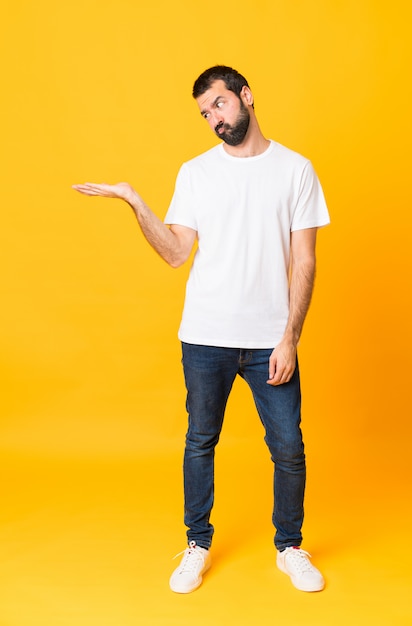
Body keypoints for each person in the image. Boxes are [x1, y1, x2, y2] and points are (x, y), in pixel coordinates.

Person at [73, 65, 330, 594]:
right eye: (205, 113)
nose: (214, 118)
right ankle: (198, 543)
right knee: (199, 441)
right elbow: (174, 253)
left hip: (269, 342)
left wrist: (290, 338)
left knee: (288, 447)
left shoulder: (297, 170)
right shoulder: (195, 172)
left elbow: (304, 261)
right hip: (206, 336)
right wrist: (133, 200)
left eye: (219, 104)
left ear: (246, 96)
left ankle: (290, 547)